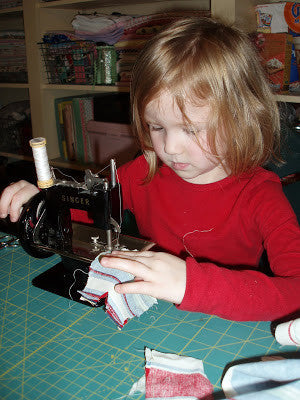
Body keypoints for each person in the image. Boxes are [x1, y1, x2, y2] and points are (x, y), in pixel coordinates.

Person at [0, 17, 299, 322]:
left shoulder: (260, 194)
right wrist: (45, 202)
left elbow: (295, 293)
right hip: (153, 316)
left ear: (241, 119)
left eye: (192, 130)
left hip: (220, 325)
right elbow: (88, 209)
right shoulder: (143, 171)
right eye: (156, 126)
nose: (169, 147)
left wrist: (189, 284)